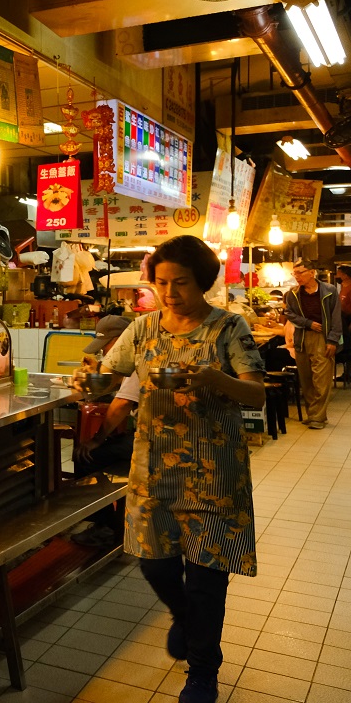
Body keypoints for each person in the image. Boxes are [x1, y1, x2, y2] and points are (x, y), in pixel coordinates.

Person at [94, 235, 265, 703]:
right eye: (162, 283)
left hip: (215, 471)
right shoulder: (143, 329)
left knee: (207, 578)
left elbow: (257, 393)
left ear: (203, 282)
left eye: (181, 283)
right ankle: (185, 617)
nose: (170, 293)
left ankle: (203, 670)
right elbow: (111, 375)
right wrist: (86, 381)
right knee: (154, 563)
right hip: (154, 471)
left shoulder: (230, 328)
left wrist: (216, 379)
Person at [71, 314, 136, 547]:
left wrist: (97, 439)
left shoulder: (136, 360)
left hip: (149, 440)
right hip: (153, 435)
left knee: (85, 455)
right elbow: (115, 380)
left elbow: (121, 405)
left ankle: (106, 527)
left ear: (120, 340)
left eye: (106, 345)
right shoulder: (138, 352)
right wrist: (99, 368)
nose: (104, 351)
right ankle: (110, 521)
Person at [282, 259, 341, 428]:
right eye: (295, 273)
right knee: (306, 378)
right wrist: (308, 323)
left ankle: (318, 417)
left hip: (323, 336)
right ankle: (313, 413)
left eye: (300, 272)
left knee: (321, 378)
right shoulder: (293, 293)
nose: (297, 277)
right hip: (301, 336)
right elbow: (289, 313)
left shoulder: (329, 291)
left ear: (312, 272)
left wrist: (333, 340)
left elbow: (336, 317)